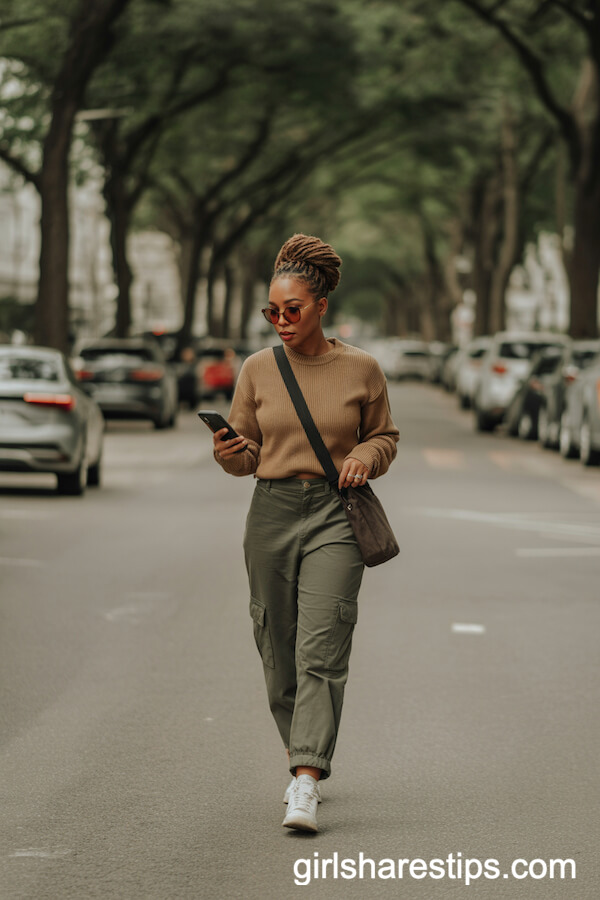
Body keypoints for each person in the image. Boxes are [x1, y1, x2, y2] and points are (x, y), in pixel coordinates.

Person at [213, 233, 399, 832]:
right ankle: (303, 750)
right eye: (272, 311)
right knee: (277, 644)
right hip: (270, 511)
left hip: (334, 514)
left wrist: (365, 458)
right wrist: (227, 450)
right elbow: (245, 457)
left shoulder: (361, 368)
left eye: (292, 309)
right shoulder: (257, 369)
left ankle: (305, 778)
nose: (281, 320)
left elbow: (385, 436)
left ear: (321, 306)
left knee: (322, 643)